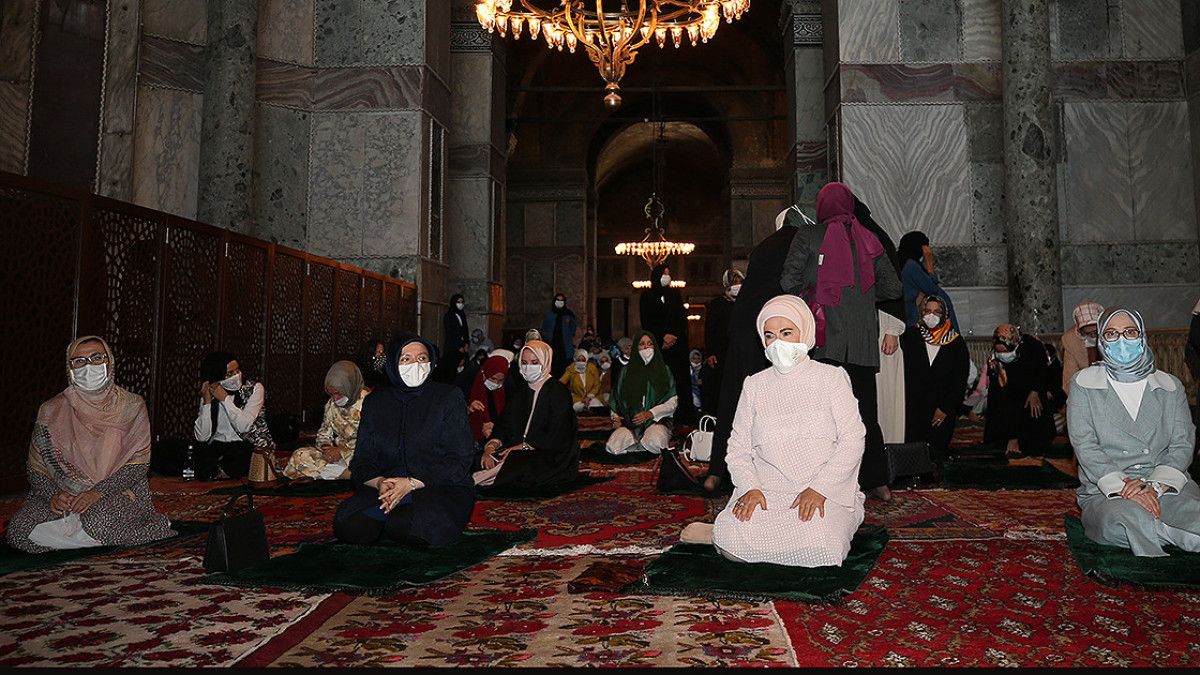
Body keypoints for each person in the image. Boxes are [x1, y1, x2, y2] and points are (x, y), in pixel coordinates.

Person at [683, 296, 866, 567]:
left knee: (822, 549)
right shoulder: (755, 385)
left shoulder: (832, 378)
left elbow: (853, 440)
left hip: (823, 490)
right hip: (768, 492)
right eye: (770, 335)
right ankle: (720, 531)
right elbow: (738, 448)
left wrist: (819, 488)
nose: (778, 342)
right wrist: (750, 488)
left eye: (786, 332)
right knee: (732, 541)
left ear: (804, 332)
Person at [781, 182, 903, 501]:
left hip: (824, 344)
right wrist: (859, 296)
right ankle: (878, 482)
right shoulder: (869, 239)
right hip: (862, 345)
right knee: (864, 415)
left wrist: (819, 292)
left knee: (822, 417)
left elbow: (787, 282)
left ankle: (824, 484)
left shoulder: (807, 236)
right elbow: (893, 289)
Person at [6, 337, 176, 553]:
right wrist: (54, 496)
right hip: (65, 496)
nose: (88, 366)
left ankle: (141, 528)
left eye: (96, 358)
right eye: (79, 361)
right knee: (19, 530)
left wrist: (97, 493)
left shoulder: (131, 405)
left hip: (117, 493)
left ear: (109, 361)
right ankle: (83, 535)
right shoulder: (51, 410)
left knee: (98, 521)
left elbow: (137, 465)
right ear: (69, 368)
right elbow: (37, 469)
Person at [1069, 306, 1200, 557]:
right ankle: (1168, 532)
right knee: (1124, 520)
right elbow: (1085, 445)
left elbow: (1183, 444)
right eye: (1111, 333)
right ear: (1101, 340)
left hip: (1164, 485)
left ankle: (1166, 529)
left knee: (1191, 514)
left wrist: (1155, 486)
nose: (1121, 340)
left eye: (1130, 332)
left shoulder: (1170, 385)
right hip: (1107, 490)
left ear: (1141, 336)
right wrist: (1126, 487)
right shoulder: (1084, 384)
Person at [332, 333, 475, 547]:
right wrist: (381, 483)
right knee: (349, 524)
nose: (415, 365)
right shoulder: (375, 403)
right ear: (392, 363)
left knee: (405, 525)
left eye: (422, 358)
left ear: (432, 362)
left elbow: (460, 460)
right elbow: (362, 462)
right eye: (406, 359)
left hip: (437, 487)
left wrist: (410, 484)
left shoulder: (448, 397)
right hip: (386, 488)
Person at [704, 205, 804, 494]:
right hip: (773, 330)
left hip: (744, 328)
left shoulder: (764, 246)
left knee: (734, 398)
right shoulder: (800, 243)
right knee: (773, 402)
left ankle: (717, 471)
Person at [474, 340, 579, 489]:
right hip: (515, 448)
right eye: (524, 362)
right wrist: (491, 446)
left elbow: (558, 433)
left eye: (534, 362)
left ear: (545, 361)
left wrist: (524, 446)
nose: (528, 367)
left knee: (519, 462)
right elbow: (504, 424)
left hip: (549, 453)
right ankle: (491, 474)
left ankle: (487, 477)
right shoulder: (520, 391)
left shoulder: (558, 392)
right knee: (480, 458)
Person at [900, 296, 970, 465]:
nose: (931, 315)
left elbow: (959, 379)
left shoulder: (956, 342)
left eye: (937, 311)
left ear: (945, 314)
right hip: (914, 407)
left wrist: (946, 408)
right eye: (927, 311)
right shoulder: (911, 336)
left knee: (936, 457)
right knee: (913, 454)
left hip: (941, 409)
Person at [193, 351, 277, 483]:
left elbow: (244, 426)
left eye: (237, 370)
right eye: (230, 374)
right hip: (217, 444)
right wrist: (207, 403)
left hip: (246, 443)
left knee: (241, 453)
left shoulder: (255, 388)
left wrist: (225, 400)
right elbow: (202, 436)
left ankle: (217, 471)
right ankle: (218, 471)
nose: (236, 376)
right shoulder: (210, 390)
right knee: (193, 451)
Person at [283, 361, 367, 481]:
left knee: (366, 462)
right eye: (331, 394)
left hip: (360, 455)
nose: (335, 399)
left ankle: (347, 475)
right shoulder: (331, 404)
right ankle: (344, 475)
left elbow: (373, 440)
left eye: (338, 393)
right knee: (300, 456)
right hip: (339, 459)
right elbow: (323, 435)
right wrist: (327, 449)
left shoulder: (369, 403)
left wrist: (342, 451)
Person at [984, 324, 1056, 457]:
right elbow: (1000, 396)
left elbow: (1043, 372)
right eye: (1000, 352)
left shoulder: (1032, 347)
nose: (1003, 355)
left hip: (1032, 390)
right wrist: (1012, 437)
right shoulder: (994, 360)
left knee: (1035, 414)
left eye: (1006, 351)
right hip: (1008, 397)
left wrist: (1035, 391)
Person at [640, 263, 695, 426]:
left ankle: (683, 416)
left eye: (669, 273)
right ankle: (658, 415)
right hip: (659, 347)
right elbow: (646, 322)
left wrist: (673, 335)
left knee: (680, 381)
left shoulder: (675, 294)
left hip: (677, 346)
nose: (667, 276)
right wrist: (661, 338)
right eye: (664, 273)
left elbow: (681, 318)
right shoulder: (646, 296)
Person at [606, 331, 678, 456]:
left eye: (650, 344)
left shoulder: (664, 371)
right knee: (613, 446)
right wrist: (615, 418)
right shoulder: (625, 372)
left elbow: (672, 401)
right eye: (642, 344)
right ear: (635, 348)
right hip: (630, 423)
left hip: (657, 422)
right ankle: (636, 442)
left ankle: (639, 445)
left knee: (655, 442)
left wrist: (651, 413)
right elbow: (616, 398)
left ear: (655, 346)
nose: (646, 347)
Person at [897, 231, 960, 331]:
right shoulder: (910, 266)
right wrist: (929, 263)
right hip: (910, 316)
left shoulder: (904, 262)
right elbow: (931, 288)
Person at [703, 268, 743, 415]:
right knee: (720, 387)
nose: (737, 285)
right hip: (721, 353)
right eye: (734, 282)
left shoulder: (745, 302)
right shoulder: (717, 304)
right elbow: (709, 330)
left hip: (740, 351)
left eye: (740, 282)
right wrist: (710, 353)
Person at [1062, 301, 1104, 396]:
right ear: (1080, 331)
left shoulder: (1113, 336)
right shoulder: (1070, 341)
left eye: (1095, 332)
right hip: (1085, 392)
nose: (1093, 336)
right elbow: (1069, 382)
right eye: (1088, 333)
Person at [468, 354, 510, 444]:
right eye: (493, 378)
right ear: (485, 374)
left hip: (498, 438)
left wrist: (496, 427)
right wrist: (469, 409)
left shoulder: (508, 388)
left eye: (500, 380)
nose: (496, 383)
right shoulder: (469, 381)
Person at [435, 293, 470, 383]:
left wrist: (466, 343)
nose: (460, 304)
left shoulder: (462, 315)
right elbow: (450, 333)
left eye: (462, 302)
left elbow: (465, 330)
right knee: (452, 370)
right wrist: (458, 346)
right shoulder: (449, 316)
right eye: (458, 302)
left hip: (462, 347)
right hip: (452, 347)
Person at [541, 293, 578, 378]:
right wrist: (547, 338)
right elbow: (545, 328)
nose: (560, 302)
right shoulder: (549, 314)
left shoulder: (568, 314)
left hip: (565, 347)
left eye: (562, 300)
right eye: (558, 300)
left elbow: (573, 327)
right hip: (552, 345)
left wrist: (568, 336)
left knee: (565, 370)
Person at [560, 349, 604, 413]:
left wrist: (589, 397)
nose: (581, 362)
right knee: (574, 408)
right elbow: (562, 381)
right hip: (578, 399)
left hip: (593, 397)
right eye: (578, 360)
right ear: (575, 360)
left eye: (583, 360)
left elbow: (597, 385)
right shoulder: (571, 369)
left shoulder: (592, 368)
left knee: (596, 407)